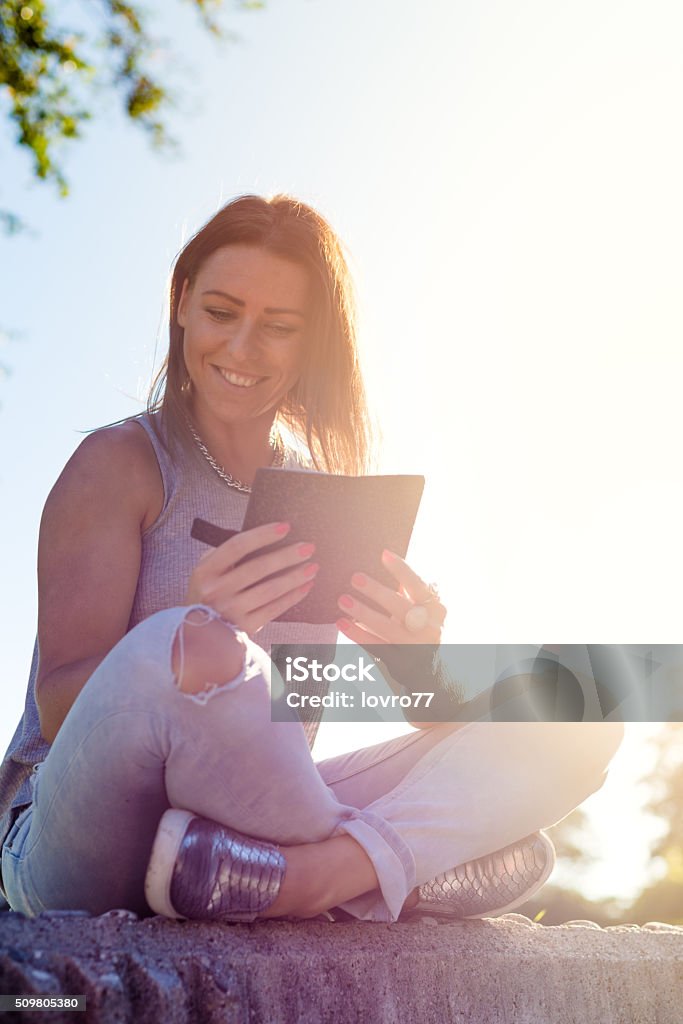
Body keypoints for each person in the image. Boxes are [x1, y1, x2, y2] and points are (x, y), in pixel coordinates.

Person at [0, 194, 623, 922]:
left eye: (279, 328)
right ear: (181, 304)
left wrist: (416, 666)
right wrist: (194, 627)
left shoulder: (326, 503)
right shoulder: (121, 463)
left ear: (312, 342)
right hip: (72, 840)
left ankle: (297, 878)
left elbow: (293, 727)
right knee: (186, 653)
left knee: (585, 702)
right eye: (221, 312)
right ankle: (362, 873)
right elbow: (63, 704)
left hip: (244, 829)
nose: (240, 348)